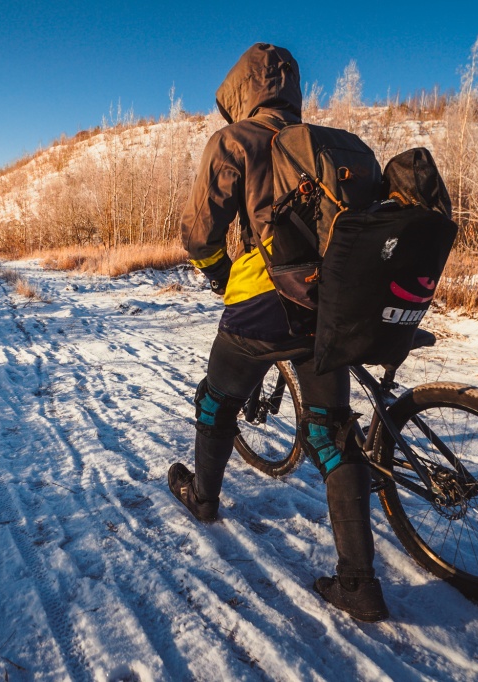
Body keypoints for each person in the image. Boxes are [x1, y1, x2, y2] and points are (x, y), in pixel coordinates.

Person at [168, 43, 389, 622]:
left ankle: (205, 498)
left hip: (263, 307)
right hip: (331, 306)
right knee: (331, 434)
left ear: (241, 91)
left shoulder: (234, 141)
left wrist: (219, 273)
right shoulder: (333, 144)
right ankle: (359, 586)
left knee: (216, 400)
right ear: (290, 89)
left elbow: (199, 234)